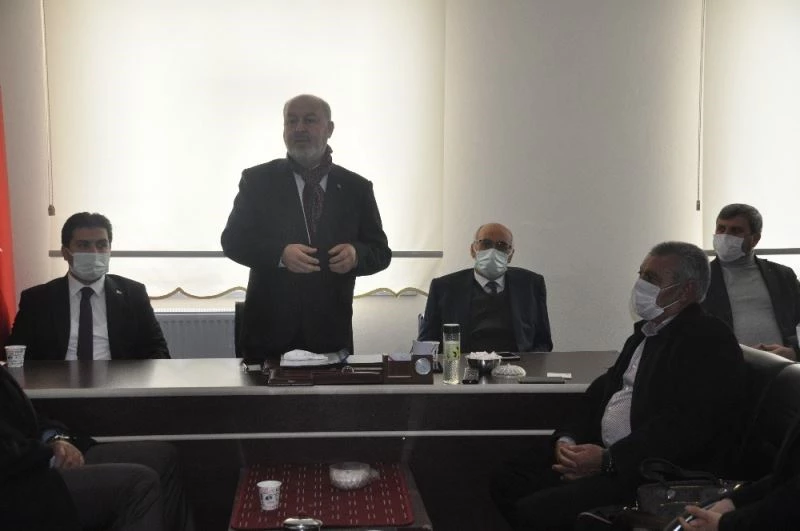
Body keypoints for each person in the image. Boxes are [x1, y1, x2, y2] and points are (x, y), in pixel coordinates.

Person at [491, 241, 746, 530]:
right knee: (508, 479)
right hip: (607, 457)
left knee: (538, 510)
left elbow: (685, 427)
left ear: (685, 290)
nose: (640, 284)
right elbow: (601, 392)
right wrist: (568, 440)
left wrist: (608, 461)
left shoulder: (709, 339)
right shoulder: (645, 334)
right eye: (641, 274)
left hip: (650, 472)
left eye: (651, 278)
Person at [221, 94, 391, 361]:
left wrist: (356, 255)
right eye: (291, 121)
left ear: (329, 129)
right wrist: (280, 254)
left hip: (329, 336)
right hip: (267, 337)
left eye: (309, 120)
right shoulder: (257, 181)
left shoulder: (356, 188)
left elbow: (380, 252)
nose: (299, 128)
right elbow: (233, 241)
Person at [0, 364, 194, 531]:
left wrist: (54, 438)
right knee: (141, 484)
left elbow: (26, 418)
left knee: (163, 458)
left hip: (35, 455)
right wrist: (50, 453)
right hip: (20, 483)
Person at [6, 212, 169, 360]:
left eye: (101, 245)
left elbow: (158, 350)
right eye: (83, 245)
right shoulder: (37, 299)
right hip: (58, 381)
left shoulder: (133, 294)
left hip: (118, 380)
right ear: (65, 252)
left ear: (110, 250)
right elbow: (16, 356)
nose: (94, 252)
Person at [418, 222, 552, 353]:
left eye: (502, 245)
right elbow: (426, 342)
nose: (493, 251)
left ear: (511, 255)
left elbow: (544, 343)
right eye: (486, 243)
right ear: (473, 250)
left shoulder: (531, 285)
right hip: (463, 363)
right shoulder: (444, 287)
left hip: (518, 364)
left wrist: (529, 364)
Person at [702, 203, 800, 360]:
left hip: (781, 367)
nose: (725, 236)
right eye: (721, 228)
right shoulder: (700, 279)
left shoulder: (782, 276)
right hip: (726, 367)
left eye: (736, 231)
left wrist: (794, 351)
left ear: (755, 239)